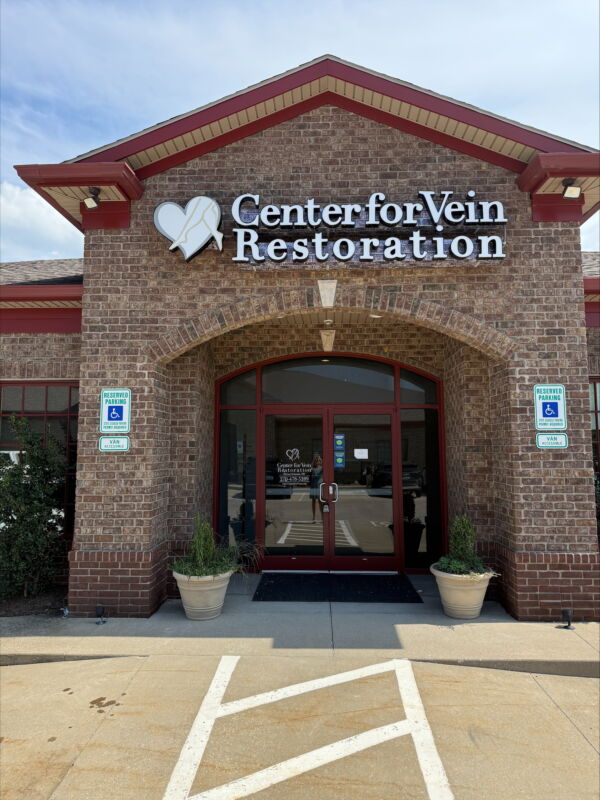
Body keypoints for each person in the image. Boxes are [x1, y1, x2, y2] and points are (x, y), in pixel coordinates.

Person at [309, 453, 324, 522]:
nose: (318, 461)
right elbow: (309, 477)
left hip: (319, 486)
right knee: (313, 501)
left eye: (319, 460)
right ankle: (314, 517)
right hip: (313, 486)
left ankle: (322, 517)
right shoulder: (311, 468)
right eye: (316, 460)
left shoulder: (322, 468)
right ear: (314, 461)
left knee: (321, 502)